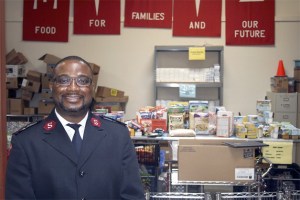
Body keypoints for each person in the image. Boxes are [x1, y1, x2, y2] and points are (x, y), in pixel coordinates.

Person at [5, 56, 145, 200]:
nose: (73, 88)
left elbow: (132, 195)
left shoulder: (118, 136)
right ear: (52, 86)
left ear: (92, 88)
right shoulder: (26, 142)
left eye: (82, 81)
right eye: (64, 80)